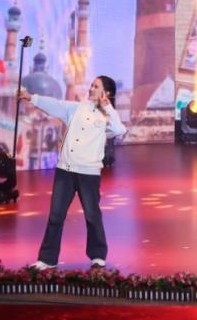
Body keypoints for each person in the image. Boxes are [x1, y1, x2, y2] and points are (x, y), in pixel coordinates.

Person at [23, 76, 126, 270]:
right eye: (92, 85)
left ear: (106, 93)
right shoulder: (77, 108)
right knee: (56, 216)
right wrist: (32, 98)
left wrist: (108, 107)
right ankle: (47, 259)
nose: (91, 88)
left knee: (92, 216)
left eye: (96, 86)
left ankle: (98, 256)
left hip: (89, 173)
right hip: (65, 170)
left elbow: (119, 130)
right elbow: (55, 105)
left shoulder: (107, 116)